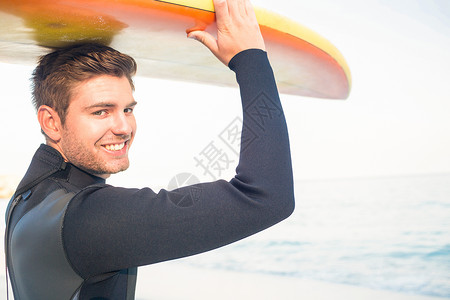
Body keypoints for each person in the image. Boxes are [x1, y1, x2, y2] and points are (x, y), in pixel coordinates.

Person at [5, 0, 295, 299]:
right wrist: (250, 60)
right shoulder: (88, 219)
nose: (123, 127)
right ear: (51, 122)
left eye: (128, 109)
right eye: (101, 112)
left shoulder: (26, 199)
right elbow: (266, 196)